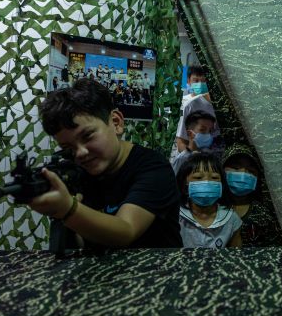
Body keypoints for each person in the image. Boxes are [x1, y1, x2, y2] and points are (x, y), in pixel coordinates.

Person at [26, 78, 182, 248]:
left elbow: (126, 231)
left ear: (116, 123)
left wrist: (68, 209)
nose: (80, 153)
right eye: (68, 147)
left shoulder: (153, 167)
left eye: (88, 136)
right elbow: (78, 245)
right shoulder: (76, 172)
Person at [176, 151, 242, 248]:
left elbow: (236, 256)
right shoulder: (175, 217)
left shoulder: (232, 219)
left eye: (214, 177)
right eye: (198, 177)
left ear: (222, 185)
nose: (207, 182)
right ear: (185, 185)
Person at [222, 143, 282, 247]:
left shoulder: (263, 215)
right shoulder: (211, 209)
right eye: (236, 167)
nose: (243, 174)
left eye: (250, 170)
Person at [171, 109, 217, 175]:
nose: (208, 135)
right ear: (190, 133)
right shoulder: (182, 160)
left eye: (210, 131)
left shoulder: (211, 159)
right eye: (202, 130)